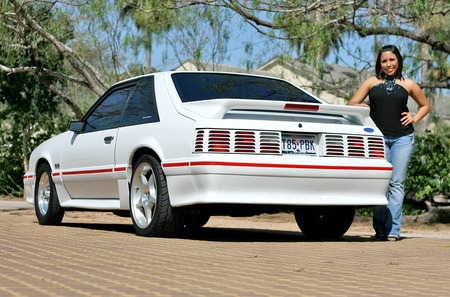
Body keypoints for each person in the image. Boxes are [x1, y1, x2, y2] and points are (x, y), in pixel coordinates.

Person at [348, 45, 430, 241]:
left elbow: (425, 105)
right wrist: (362, 105)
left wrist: (415, 118)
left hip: (403, 138)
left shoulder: (408, 84)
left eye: (392, 60)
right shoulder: (371, 82)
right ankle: (380, 230)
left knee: (397, 184)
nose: (388, 64)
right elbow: (351, 104)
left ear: (398, 60)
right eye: (384, 61)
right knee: (380, 184)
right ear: (380, 63)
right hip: (378, 139)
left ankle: (393, 231)